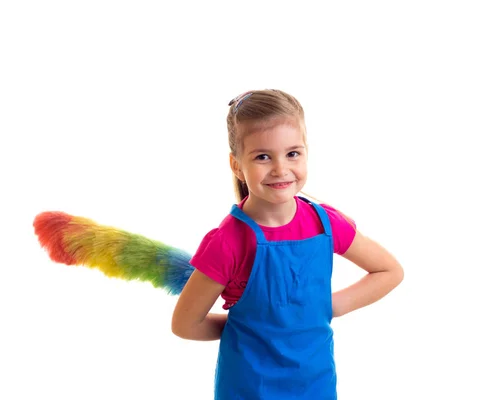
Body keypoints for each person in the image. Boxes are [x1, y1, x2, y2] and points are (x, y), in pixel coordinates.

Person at [171, 89, 404, 399]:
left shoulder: (326, 224)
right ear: (237, 164)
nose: (281, 168)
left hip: (315, 383)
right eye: (263, 156)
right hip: (249, 385)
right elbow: (185, 324)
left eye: (293, 153)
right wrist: (246, 328)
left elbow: (389, 270)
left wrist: (329, 306)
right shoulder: (228, 242)